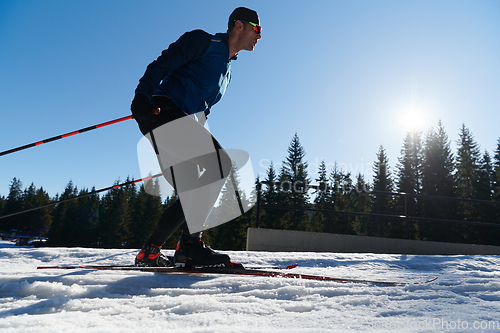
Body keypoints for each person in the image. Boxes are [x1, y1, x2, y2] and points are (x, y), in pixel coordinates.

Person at [130, 7, 261, 267]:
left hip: (183, 121)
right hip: (162, 111)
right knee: (220, 165)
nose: (260, 36)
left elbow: (203, 110)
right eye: (257, 29)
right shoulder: (204, 42)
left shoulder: (227, 71)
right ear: (239, 25)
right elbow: (162, 63)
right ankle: (189, 247)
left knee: (194, 188)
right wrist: (141, 97)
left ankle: (152, 251)